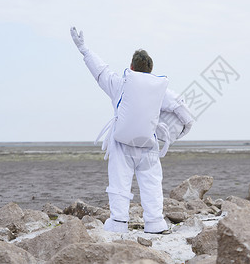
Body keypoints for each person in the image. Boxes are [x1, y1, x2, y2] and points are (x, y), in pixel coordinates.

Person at [70, 27, 193, 234]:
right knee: (152, 184)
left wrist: (84, 49)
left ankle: (118, 223)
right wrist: (181, 131)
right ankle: (154, 223)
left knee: (119, 183)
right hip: (148, 145)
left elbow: (100, 71)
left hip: (122, 143)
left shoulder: (120, 84)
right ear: (151, 70)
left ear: (131, 66)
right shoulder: (160, 89)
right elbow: (181, 109)